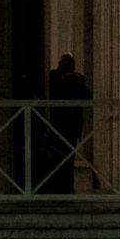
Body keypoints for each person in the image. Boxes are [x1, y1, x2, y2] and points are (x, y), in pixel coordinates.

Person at [40, 53, 91, 194]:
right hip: (62, 123)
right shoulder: (57, 77)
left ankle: (64, 187)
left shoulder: (71, 78)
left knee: (64, 156)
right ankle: (63, 186)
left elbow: (87, 97)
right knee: (62, 156)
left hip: (65, 123)